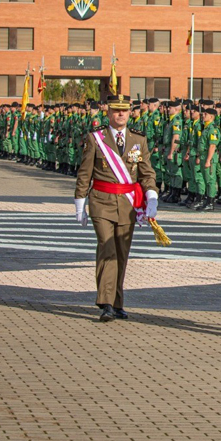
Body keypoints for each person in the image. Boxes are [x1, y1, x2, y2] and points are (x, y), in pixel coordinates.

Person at [74, 94, 159, 322]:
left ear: (130, 113)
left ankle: (117, 302)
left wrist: (151, 196)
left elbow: (146, 173)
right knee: (107, 247)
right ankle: (106, 303)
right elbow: (85, 173)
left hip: (127, 205)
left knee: (121, 253)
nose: (120, 114)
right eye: (116, 110)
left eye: (124, 110)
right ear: (109, 112)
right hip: (101, 202)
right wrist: (80, 203)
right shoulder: (96, 138)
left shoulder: (138, 139)